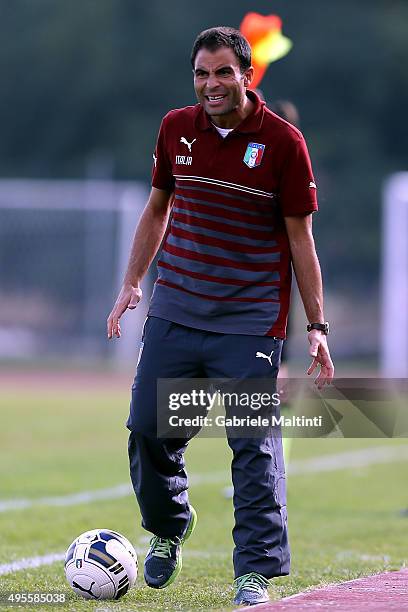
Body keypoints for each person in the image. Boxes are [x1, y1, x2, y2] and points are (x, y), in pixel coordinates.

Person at [107, 26, 334, 606]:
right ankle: (168, 527)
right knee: (146, 430)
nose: (211, 84)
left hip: (250, 323)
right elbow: (158, 206)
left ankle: (253, 573)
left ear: (247, 76)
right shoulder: (175, 129)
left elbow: (301, 241)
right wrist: (133, 282)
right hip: (176, 311)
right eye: (202, 74)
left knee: (254, 444)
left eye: (223, 73)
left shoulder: (284, 144)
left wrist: (316, 327)